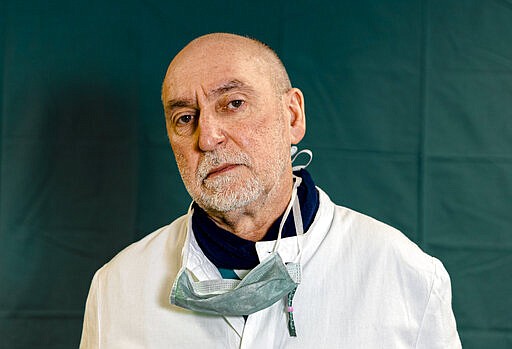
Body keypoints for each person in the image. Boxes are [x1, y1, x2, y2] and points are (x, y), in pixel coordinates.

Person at [80, 33, 461, 348]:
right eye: (185, 117)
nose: (208, 137)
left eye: (233, 103)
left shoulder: (406, 276)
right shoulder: (117, 287)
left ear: (292, 116)